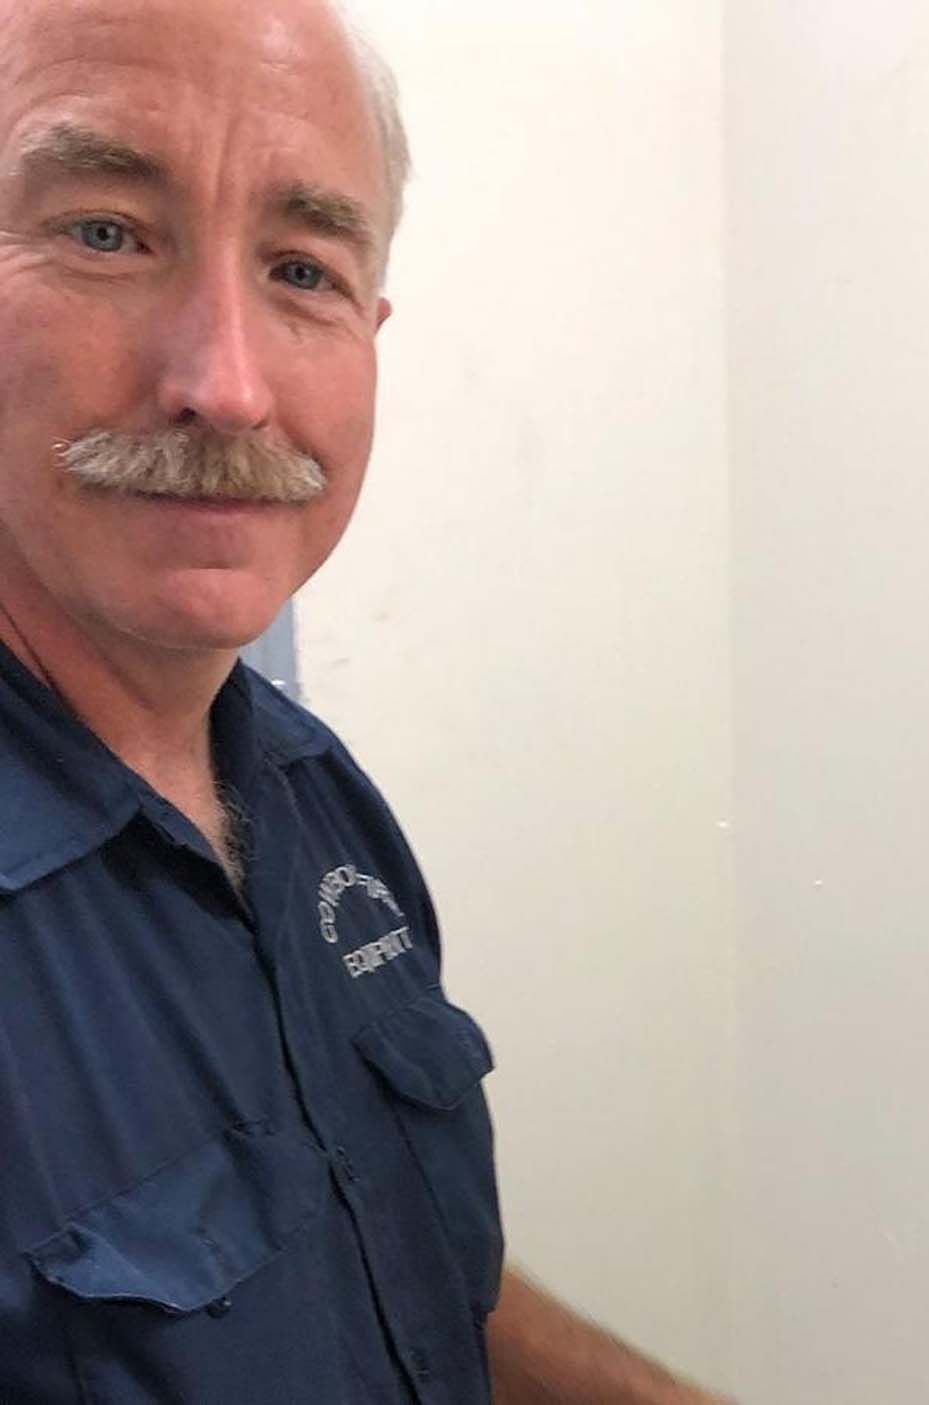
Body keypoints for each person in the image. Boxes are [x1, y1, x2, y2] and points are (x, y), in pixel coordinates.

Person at [0, 0, 730, 1399]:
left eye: (301, 268)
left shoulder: (311, 796)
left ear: (372, 327)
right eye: (107, 232)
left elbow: (346, 1238)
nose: (224, 383)